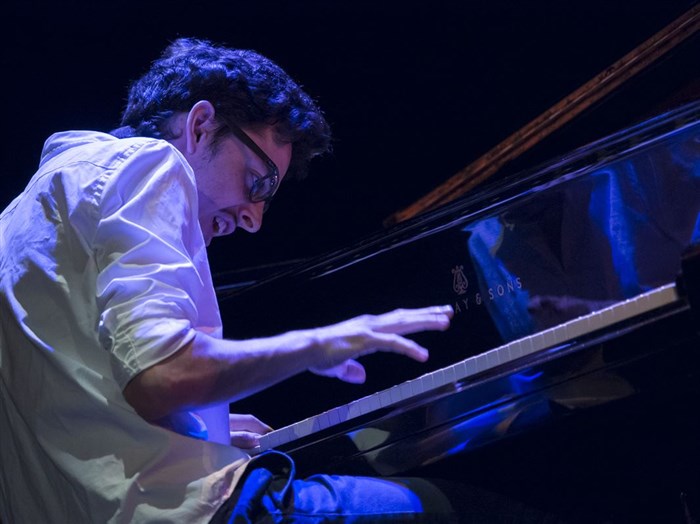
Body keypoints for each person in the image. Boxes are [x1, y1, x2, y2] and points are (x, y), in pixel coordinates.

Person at [0, 38, 556, 523]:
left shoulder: (24, 216)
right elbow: (160, 377)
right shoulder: (150, 165)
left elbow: (85, 397)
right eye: (258, 182)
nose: (254, 219)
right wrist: (320, 343)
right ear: (199, 126)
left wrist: (203, 427)